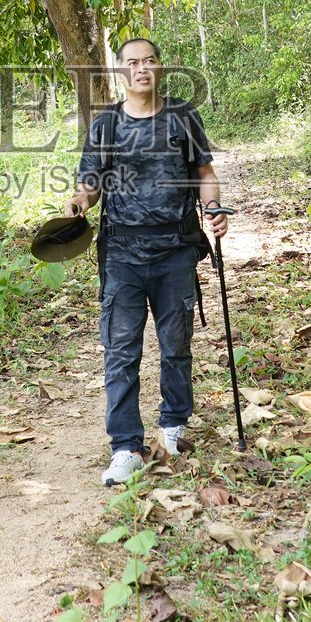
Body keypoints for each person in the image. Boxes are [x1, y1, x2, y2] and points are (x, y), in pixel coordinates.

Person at [65, 38, 227, 486]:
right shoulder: (106, 125)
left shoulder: (182, 118)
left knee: (176, 344)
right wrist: (79, 202)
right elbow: (91, 184)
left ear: (160, 67)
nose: (142, 69)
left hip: (175, 248)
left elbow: (205, 175)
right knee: (120, 352)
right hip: (121, 254)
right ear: (120, 72)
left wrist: (213, 210)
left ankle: (173, 426)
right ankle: (125, 447)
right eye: (132, 63)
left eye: (149, 61)